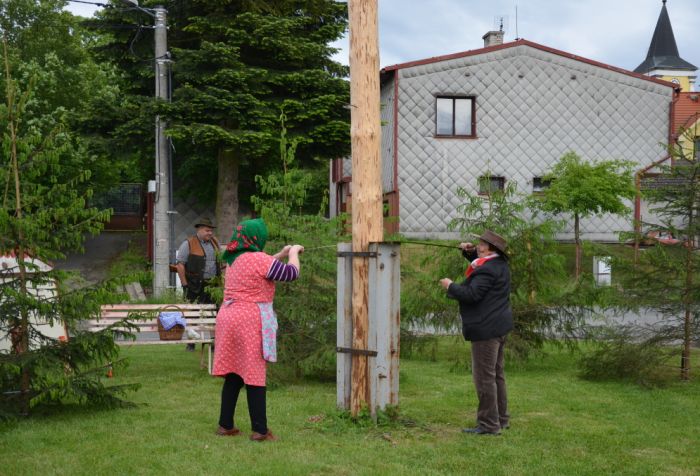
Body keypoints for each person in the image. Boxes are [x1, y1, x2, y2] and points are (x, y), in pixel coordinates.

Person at [213, 218, 303, 442]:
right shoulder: (259, 260)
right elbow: (291, 273)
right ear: (257, 238)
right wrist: (294, 253)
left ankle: (225, 425)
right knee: (254, 373)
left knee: (234, 373)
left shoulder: (235, 259)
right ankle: (260, 431)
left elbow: (262, 268)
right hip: (249, 320)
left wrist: (281, 254)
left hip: (228, 317)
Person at [439, 230, 513, 436]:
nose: (478, 245)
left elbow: (472, 294)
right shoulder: (498, 264)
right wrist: (470, 253)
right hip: (498, 326)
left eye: (482, 244)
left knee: (484, 378)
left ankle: (489, 425)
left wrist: (450, 286)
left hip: (486, 330)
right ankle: (501, 419)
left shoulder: (487, 270)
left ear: (491, 249)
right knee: (496, 376)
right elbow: (482, 270)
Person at [175, 217, 221, 351]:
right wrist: (184, 285)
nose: (210, 233)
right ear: (199, 230)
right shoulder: (188, 243)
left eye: (211, 231)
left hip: (213, 285)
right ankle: (191, 342)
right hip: (194, 284)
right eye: (207, 230)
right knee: (193, 314)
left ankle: (213, 343)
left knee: (213, 313)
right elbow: (180, 265)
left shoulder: (215, 243)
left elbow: (221, 263)